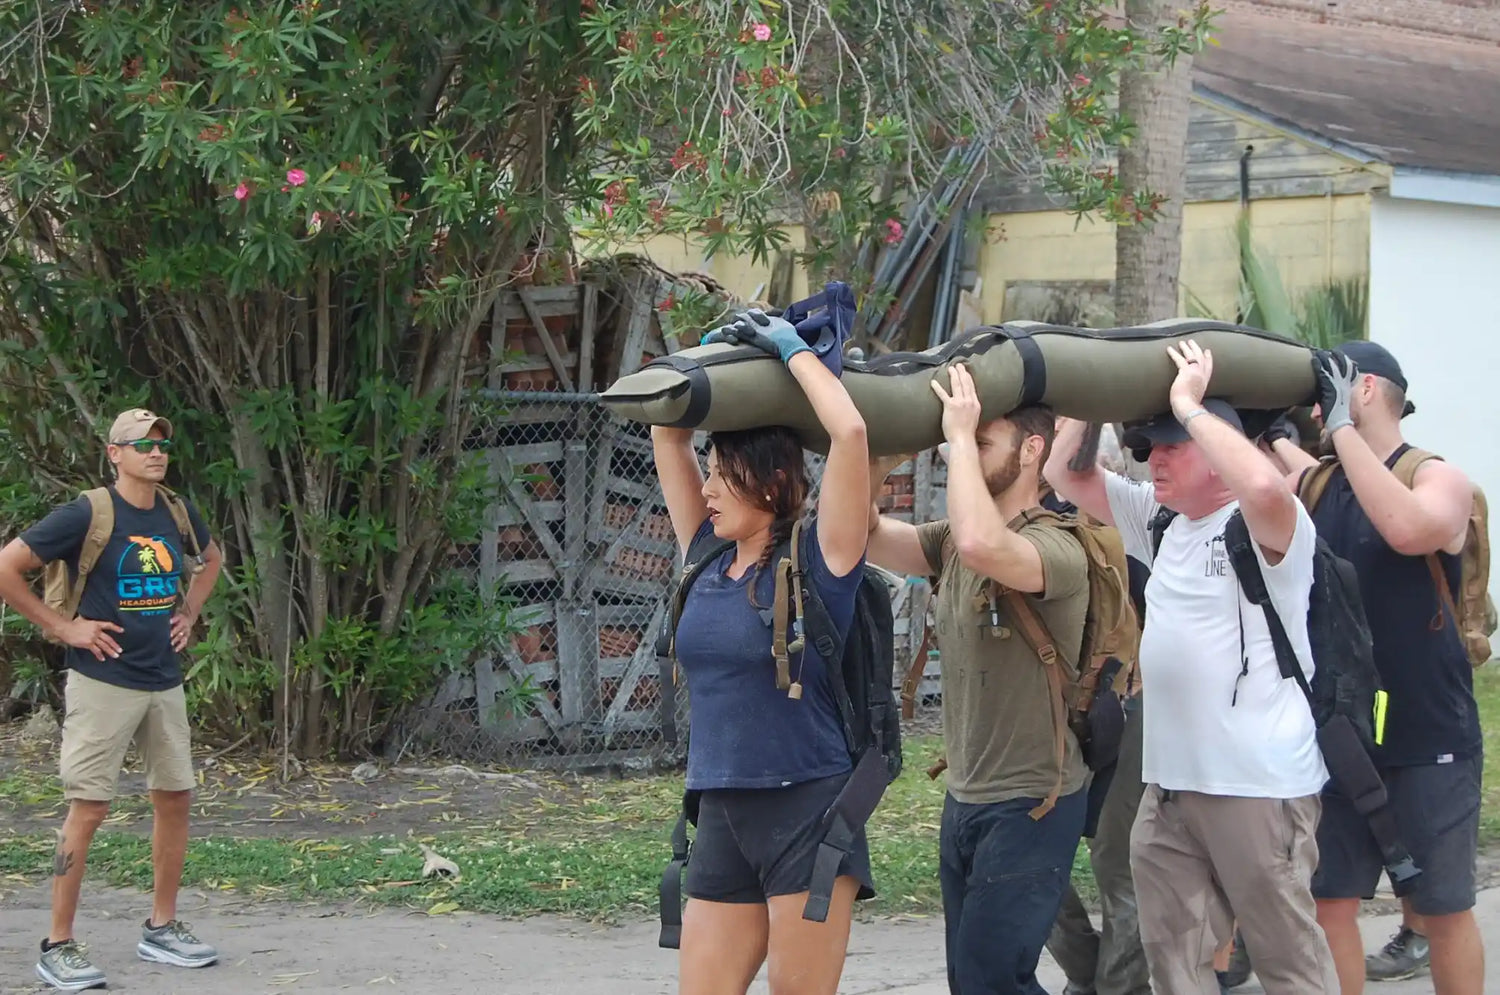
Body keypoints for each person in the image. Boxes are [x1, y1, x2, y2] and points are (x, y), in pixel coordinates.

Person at [1044, 340, 1339, 995]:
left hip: (1258, 788)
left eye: (1173, 444)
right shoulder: (1163, 522)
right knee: (1174, 964)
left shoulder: (1268, 526)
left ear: (1220, 448)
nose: (1156, 458)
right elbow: (1067, 473)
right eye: (1152, 446)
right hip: (1172, 790)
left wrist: (1189, 402)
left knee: (1288, 962)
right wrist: (1093, 389)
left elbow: (1263, 481)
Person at [651, 310, 872, 995]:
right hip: (721, 808)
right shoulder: (707, 553)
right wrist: (714, 350)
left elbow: (851, 431)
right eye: (709, 473)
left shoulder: (820, 560)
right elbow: (667, 426)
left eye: (723, 474)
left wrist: (789, 349)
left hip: (808, 810)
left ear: (772, 483)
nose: (708, 489)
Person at [1262, 342, 1484, 995]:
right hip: (1346, 732)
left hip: (1430, 732)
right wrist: (1273, 435)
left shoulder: (1438, 475)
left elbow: (1409, 530)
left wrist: (1339, 430)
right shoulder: (1328, 479)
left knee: (1443, 908)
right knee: (1330, 902)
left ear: (1362, 392)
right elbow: (1291, 482)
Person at [867, 363, 1092, 994]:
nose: (958, 451)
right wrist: (877, 453)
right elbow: (859, 533)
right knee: (973, 981)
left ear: (1032, 451)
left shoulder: (1058, 547)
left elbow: (982, 545)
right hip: (965, 796)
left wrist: (959, 436)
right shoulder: (950, 542)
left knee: (994, 978)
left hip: (1033, 801)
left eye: (982, 443)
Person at [0, 409, 223, 991]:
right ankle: (58, 944)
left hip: (163, 679)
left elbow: (212, 560)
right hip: (103, 681)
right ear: (114, 453)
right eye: (142, 445)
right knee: (90, 807)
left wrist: (190, 612)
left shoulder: (176, 511)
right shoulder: (87, 513)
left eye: (163, 444)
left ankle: (162, 927)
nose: (157, 452)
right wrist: (63, 627)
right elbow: (7, 568)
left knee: (175, 796)